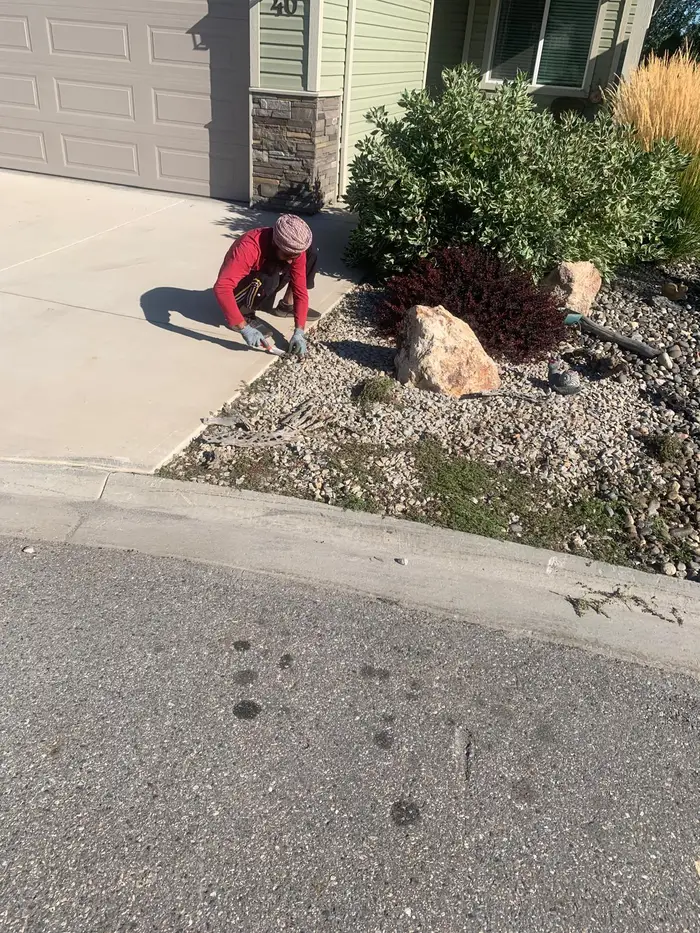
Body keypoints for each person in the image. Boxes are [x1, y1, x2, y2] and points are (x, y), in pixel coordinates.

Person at [213, 214, 318, 357]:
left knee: (311, 253)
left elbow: (300, 290)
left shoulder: (293, 250)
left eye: (294, 256)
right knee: (270, 276)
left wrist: (299, 331)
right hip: (240, 287)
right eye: (288, 255)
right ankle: (244, 312)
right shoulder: (249, 247)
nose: (290, 261)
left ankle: (285, 306)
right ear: (276, 243)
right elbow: (222, 287)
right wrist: (243, 327)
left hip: (264, 273)